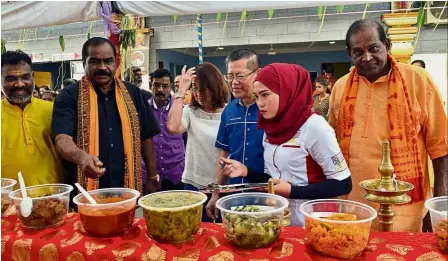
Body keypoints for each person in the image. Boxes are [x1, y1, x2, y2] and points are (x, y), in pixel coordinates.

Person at [329, 20, 448, 232]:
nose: (367, 57)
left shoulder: (417, 80)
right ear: (349, 53)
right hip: (353, 205)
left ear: (387, 44)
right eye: (358, 52)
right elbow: (332, 147)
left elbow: (441, 148)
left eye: (373, 48)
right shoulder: (340, 87)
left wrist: (439, 205)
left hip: (404, 208)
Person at [220, 63, 352, 226]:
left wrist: (292, 191)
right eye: (257, 96)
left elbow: (343, 184)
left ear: (287, 91)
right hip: (281, 218)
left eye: (265, 95)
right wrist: (246, 171)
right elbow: (275, 180)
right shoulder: (270, 127)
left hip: (313, 221)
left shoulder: (314, 127)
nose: (259, 103)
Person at [52, 37, 161, 200]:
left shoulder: (133, 93)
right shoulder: (69, 96)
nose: (102, 67)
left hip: (127, 188)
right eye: (95, 61)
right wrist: (82, 158)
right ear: (84, 63)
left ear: (115, 63)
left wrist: (152, 177)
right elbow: (61, 138)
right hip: (85, 191)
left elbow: (146, 137)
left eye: (108, 61)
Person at [206, 48, 265, 220]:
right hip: (234, 194)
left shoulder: (269, 109)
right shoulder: (229, 111)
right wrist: (216, 193)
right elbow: (224, 154)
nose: (234, 82)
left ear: (257, 73)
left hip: (265, 193)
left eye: (240, 76)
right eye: (230, 76)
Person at [167, 62, 228, 221]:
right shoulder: (190, 111)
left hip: (223, 184)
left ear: (215, 87)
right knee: (196, 228)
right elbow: (173, 127)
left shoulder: (229, 112)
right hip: (194, 183)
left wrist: (219, 189)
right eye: (194, 88)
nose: (199, 93)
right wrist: (181, 90)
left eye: (204, 89)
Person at [1, 50, 63, 186]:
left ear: (33, 77)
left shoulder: (53, 110)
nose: (20, 84)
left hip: (54, 199)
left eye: (25, 77)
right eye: (11, 78)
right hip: (8, 203)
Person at [149, 69, 187, 191]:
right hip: (151, 174)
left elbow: (187, 139)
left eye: (165, 86)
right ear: (151, 85)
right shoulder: (142, 109)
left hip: (176, 171)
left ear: (170, 87)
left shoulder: (180, 109)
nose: (160, 90)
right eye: (156, 85)